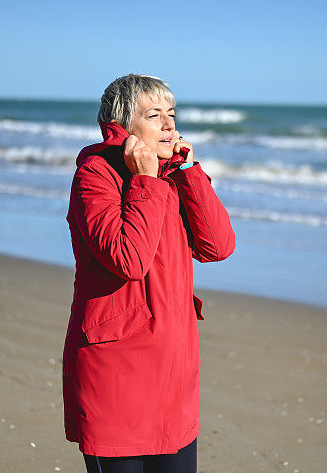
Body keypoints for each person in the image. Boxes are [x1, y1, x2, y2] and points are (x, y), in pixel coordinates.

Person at [62, 74, 235, 473]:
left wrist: (190, 171)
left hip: (174, 381)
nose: (169, 124)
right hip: (116, 378)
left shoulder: (174, 177)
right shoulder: (94, 175)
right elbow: (128, 258)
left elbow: (218, 246)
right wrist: (144, 180)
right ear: (122, 127)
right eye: (154, 115)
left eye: (171, 114)